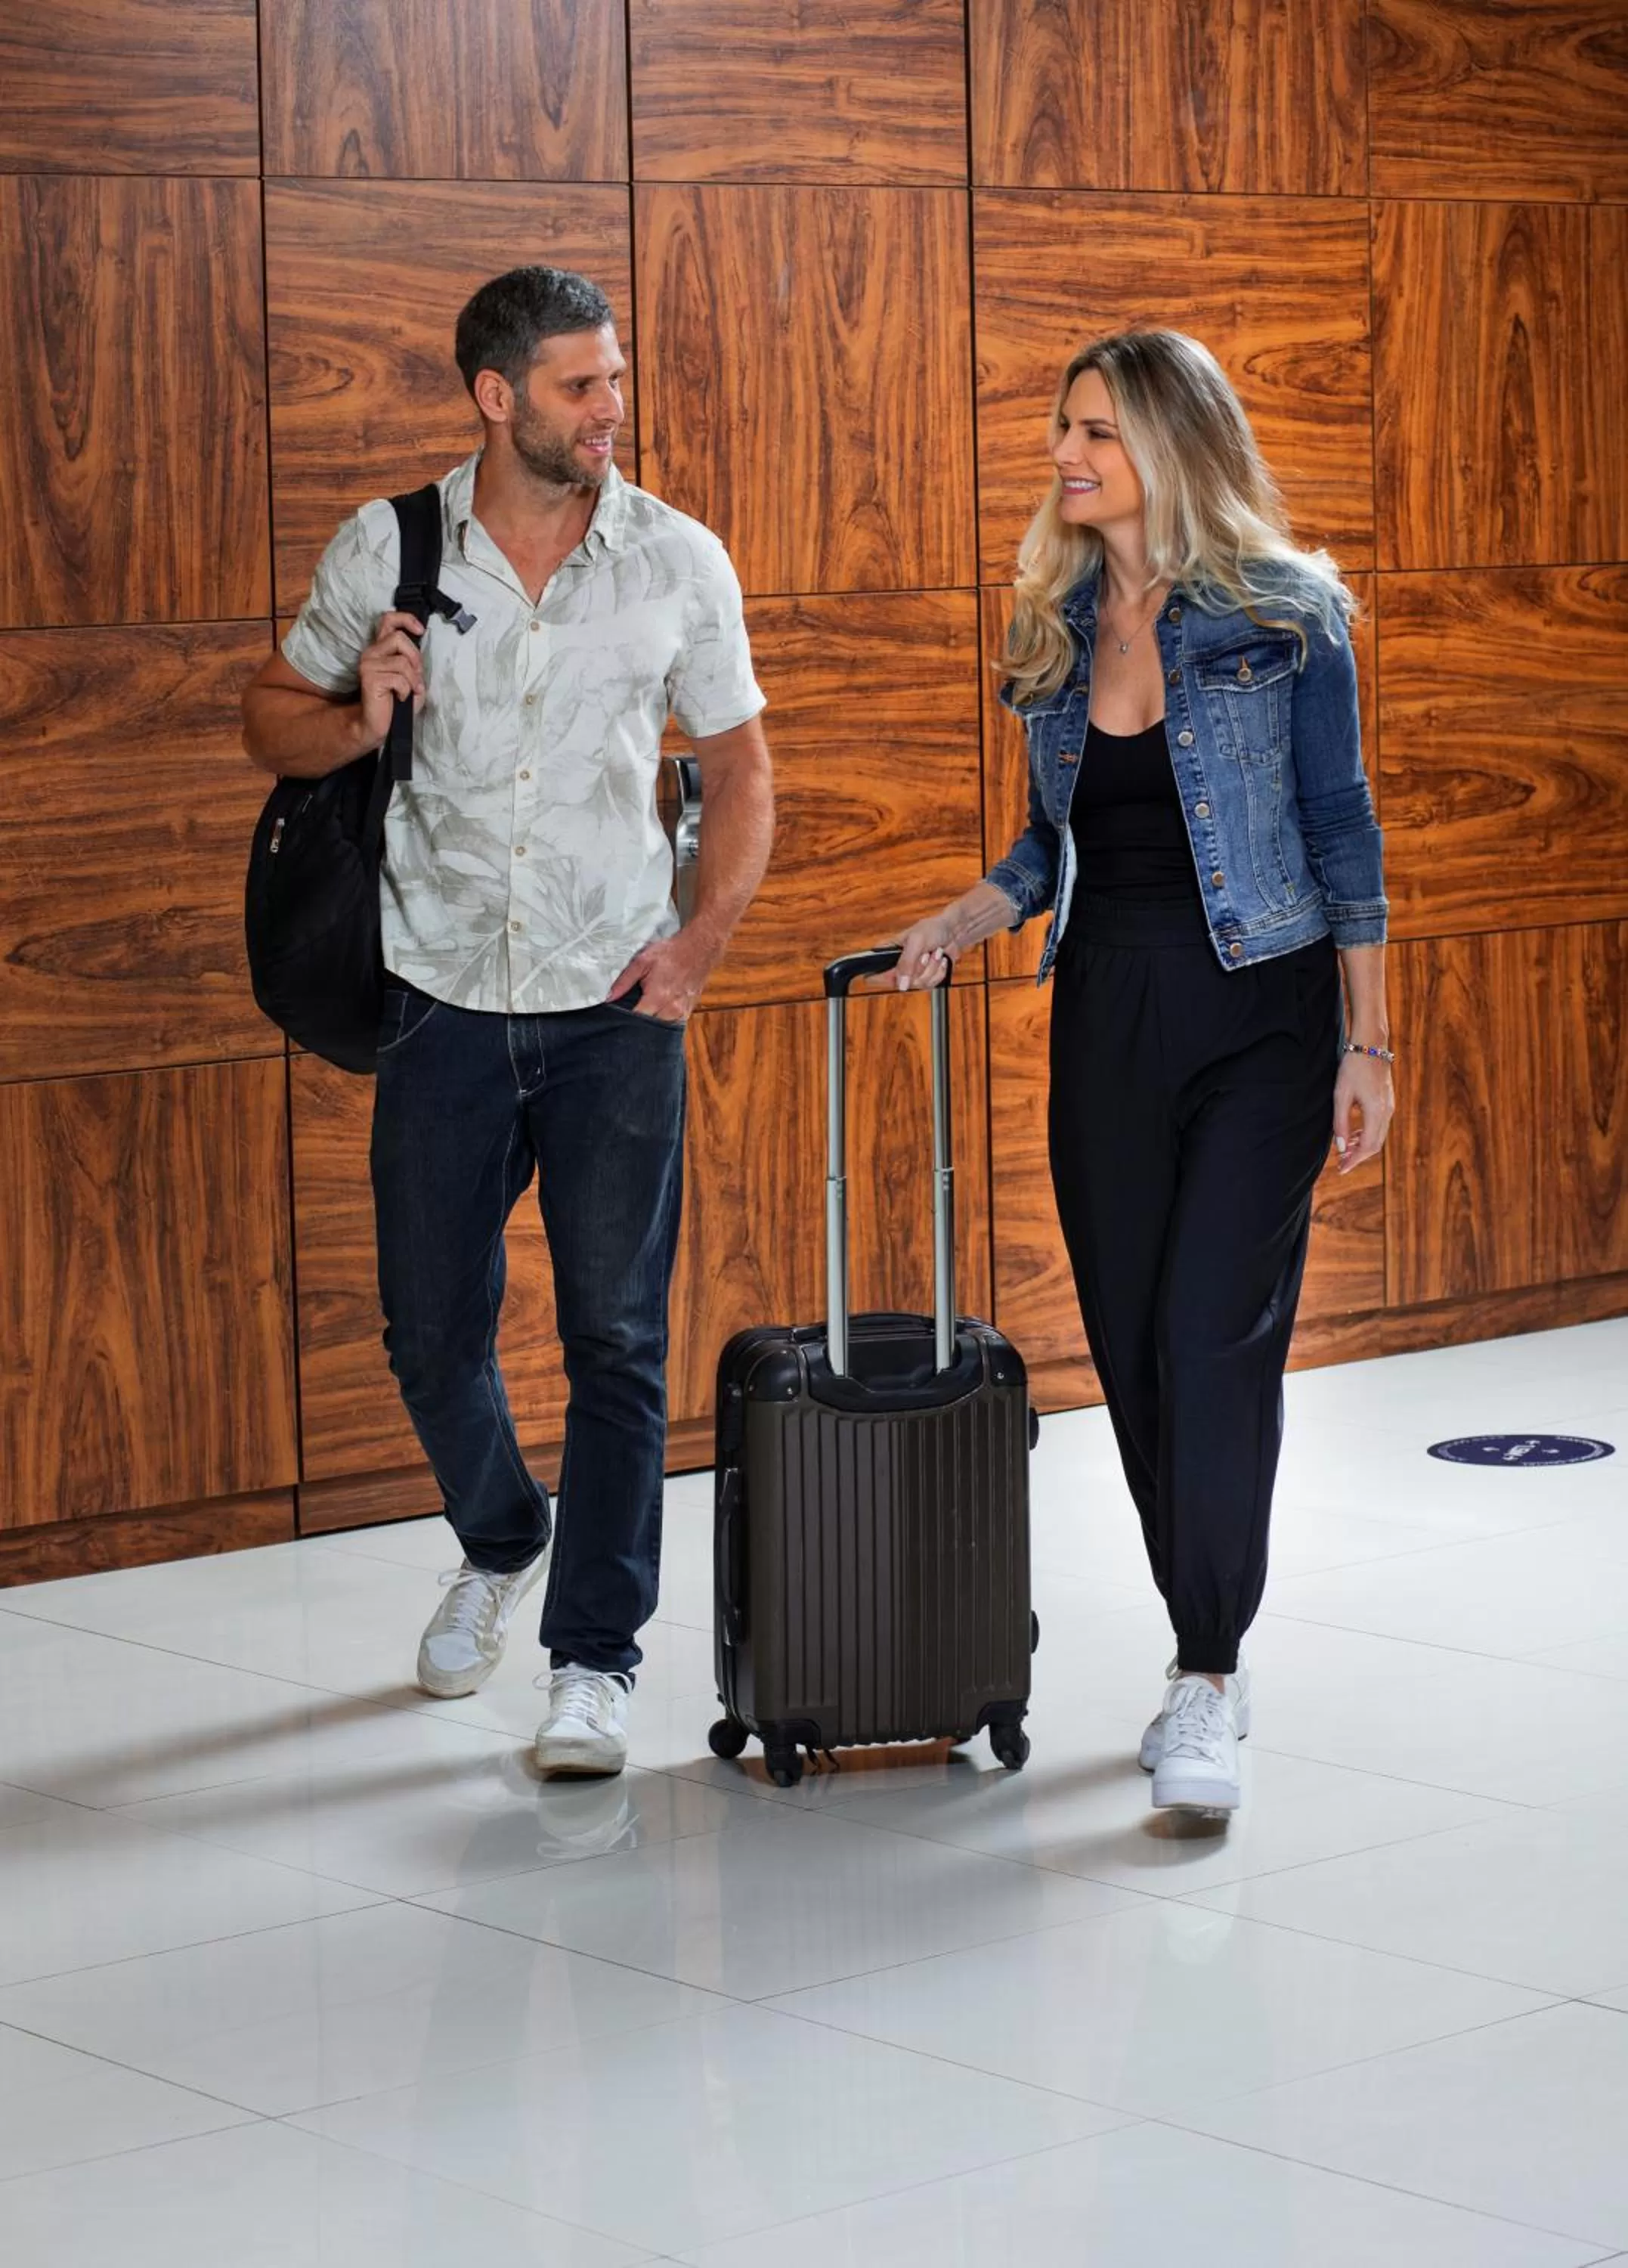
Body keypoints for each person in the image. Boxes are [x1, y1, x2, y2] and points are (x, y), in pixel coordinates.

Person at [243, 265, 773, 1778]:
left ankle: (593, 1660)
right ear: (497, 396)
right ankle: (500, 1532)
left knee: (618, 1343)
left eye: (615, 379)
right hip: (442, 997)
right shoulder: (393, 546)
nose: (612, 408)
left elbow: (741, 769)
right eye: (580, 384)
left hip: (615, 1006)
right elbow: (266, 714)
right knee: (428, 1333)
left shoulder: (673, 556)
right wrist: (356, 714)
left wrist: (699, 945)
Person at [896, 329, 1391, 1817]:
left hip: (1263, 1014)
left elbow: (1342, 831)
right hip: (1105, 1015)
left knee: (1208, 1335)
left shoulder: (1287, 615)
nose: (1066, 455)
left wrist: (1368, 1040)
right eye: (1065, 428)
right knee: (1131, 1348)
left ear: (1171, 445)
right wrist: (964, 916)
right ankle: (1203, 1637)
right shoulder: (1052, 623)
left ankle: (1207, 1673)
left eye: (1097, 432)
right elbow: (1050, 844)